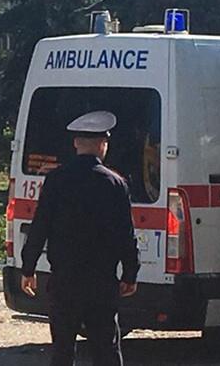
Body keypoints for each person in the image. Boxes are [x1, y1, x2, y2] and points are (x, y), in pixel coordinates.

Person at [20, 111, 140, 366]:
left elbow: (40, 226)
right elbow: (125, 235)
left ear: (76, 143)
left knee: (62, 351)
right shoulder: (115, 184)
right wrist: (130, 273)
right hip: (101, 282)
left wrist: (28, 268)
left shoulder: (56, 180)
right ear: (103, 145)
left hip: (64, 281)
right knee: (106, 351)